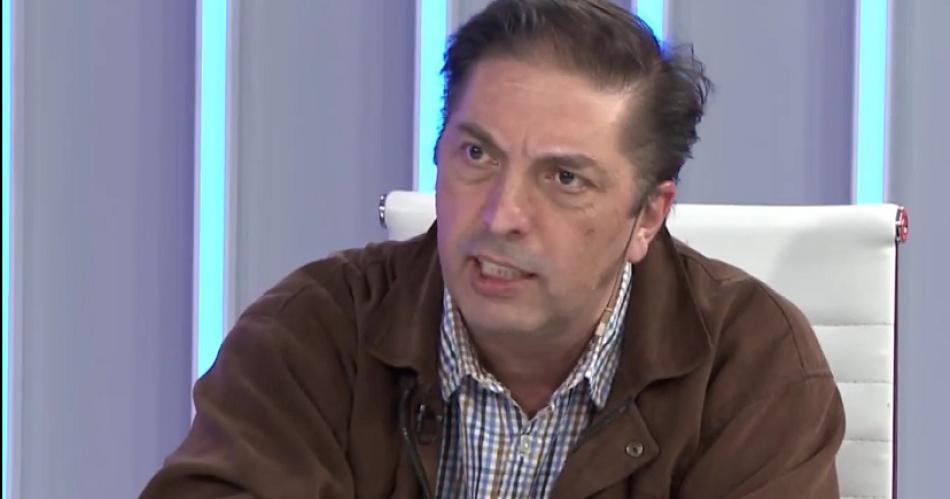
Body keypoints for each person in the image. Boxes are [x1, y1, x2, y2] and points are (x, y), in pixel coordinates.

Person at [140, 1, 844, 497]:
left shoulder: (751, 366)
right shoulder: (314, 332)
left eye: (564, 179)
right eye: (477, 154)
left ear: (647, 217)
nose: (502, 214)